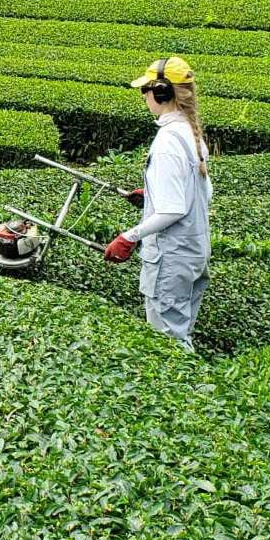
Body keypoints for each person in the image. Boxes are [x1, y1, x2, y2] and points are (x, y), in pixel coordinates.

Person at [103, 56, 213, 350]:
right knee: (181, 332)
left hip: (171, 259)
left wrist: (130, 236)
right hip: (193, 253)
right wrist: (151, 197)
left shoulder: (166, 142)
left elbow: (173, 209)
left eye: (146, 90)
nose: (144, 97)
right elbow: (201, 193)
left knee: (169, 344)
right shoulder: (191, 134)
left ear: (161, 93)